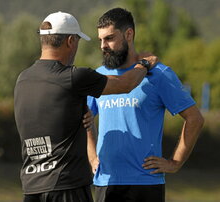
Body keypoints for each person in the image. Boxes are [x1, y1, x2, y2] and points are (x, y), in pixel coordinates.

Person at [14, 11, 158, 202]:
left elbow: (50, 114)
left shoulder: (22, 80)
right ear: (71, 41)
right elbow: (126, 84)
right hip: (67, 186)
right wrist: (145, 64)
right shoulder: (74, 77)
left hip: (32, 188)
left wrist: (81, 114)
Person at [87, 8, 204, 202]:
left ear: (129, 34)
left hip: (146, 184)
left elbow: (195, 119)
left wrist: (175, 162)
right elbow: (85, 117)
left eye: (109, 38)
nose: (103, 46)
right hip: (105, 182)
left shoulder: (159, 74)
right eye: (100, 40)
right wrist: (92, 155)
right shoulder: (99, 77)